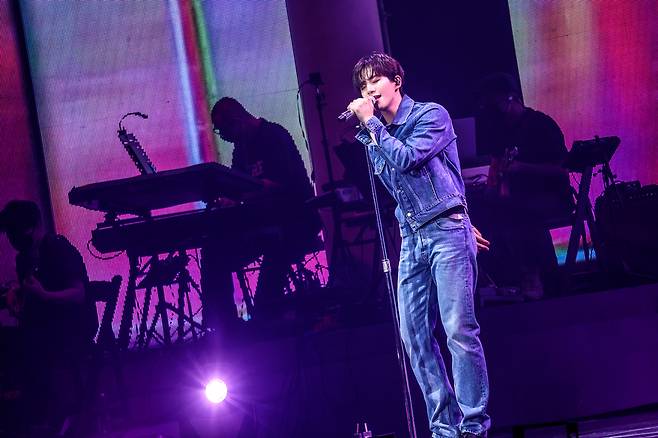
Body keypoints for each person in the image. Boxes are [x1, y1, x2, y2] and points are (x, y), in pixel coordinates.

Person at [346, 52, 490, 438]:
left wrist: (372, 127)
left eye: (375, 80)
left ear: (396, 80)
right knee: (413, 337)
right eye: (363, 85)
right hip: (412, 238)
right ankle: (445, 429)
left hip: (446, 231)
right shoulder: (376, 134)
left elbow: (408, 160)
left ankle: (474, 427)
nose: (369, 90)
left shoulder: (430, 115)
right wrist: (372, 132)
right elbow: (394, 188)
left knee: (458, 329)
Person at [201, 97, 321, 330]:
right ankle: (224, 325)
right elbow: (237, 188)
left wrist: (245, 195)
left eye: (225, 130)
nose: (225, 137)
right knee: (215, 251)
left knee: (274, 254)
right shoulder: (241, 148)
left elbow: (286, 186)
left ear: (237, 120)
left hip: (295, 219)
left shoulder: (274, 137)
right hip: (266, 224)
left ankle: (266, 316)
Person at [0, 200, 97, 436]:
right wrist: (18, 294)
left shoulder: (58, 249)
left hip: (70, 329)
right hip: (45, 329)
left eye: (15, 232)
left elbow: (78, 294)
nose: (11, 240)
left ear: (31, 227)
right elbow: (31, 295)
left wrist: (43, 295)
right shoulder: (24, 258)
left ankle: (35, 414)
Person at [474, 73, 574, 298]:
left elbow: (562, 170)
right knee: (481, 211)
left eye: (496, 104)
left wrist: (523, 168)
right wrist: (491, 188)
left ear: (511, 99)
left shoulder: (541, 125)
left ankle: (535, 276)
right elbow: (496, 162)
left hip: (551, 197)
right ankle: (497, 281)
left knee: (518, 212)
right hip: (516, 197)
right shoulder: (500, 130)